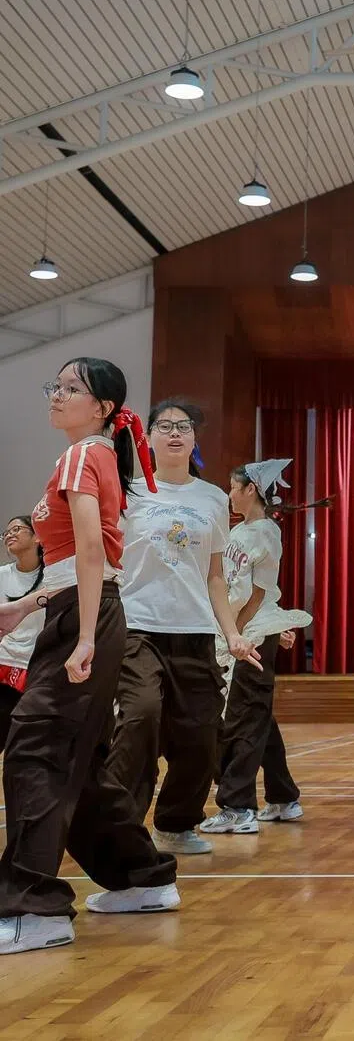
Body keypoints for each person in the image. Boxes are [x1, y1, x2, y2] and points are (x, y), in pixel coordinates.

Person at [0, 358, 179, 955]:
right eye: (55, 386)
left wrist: (82, 638)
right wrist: (27, 607)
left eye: (71, 388)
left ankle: (34, 909)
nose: (57, 395)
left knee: (36, 750)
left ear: (102, 407)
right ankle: (141, 878)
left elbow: (90, 552)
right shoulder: (92, 454)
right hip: (79, 609)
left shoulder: (82, 455)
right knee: (80, 759)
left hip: (85, 615)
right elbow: (78, 562)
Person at [105, 399, 260, 857]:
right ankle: (117, 825)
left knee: (202, 734)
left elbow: (215, 576)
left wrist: (232, 633)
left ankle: (175, 823)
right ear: (148, 438)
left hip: (194, 631)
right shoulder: (128, 493)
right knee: (140, 715)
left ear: (194, 440)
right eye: (165, 425)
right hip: (137, 626)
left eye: (184, 426)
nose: (175, 432)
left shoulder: (212, 499)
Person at [202, 460, 315, 834]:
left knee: (242, 719)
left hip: (250, 635)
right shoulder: (239, 531)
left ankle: (238, 806)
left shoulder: (266, 532)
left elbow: (259, 592)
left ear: (250, 489)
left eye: (233, 487)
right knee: (258, 716)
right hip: (243, 630)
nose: (229, 494)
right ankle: (283, 797)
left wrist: (237, 632)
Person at [0, 516, 46, 747]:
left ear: (37, 536)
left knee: (27, 744)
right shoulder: (2, 574)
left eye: (16, 529)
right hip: (3, 661)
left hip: (39, 668)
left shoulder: (54, 577)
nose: (9, 534)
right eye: (6, 532)